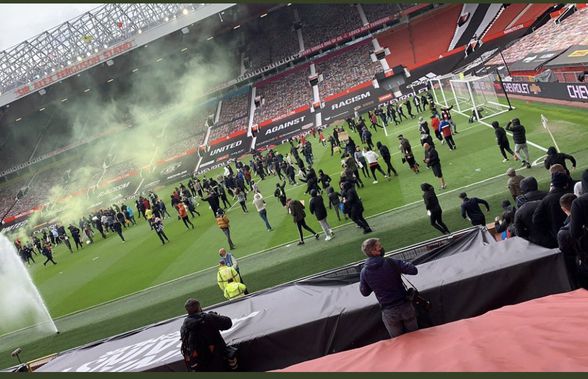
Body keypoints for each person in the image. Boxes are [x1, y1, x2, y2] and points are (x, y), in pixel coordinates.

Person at [359, 238, 418, 338]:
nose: (382, 247)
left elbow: (364, 292)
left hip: (389, 311)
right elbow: (413, 270)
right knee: (416, 337)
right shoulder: (390, 262)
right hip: (405, 306)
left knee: (398, 343)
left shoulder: (364, 272)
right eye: (379, 246)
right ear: (374, 251)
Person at [180, 298, 234, 372]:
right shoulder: (207, 318)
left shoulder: (184, 327)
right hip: (217, 359)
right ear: (199, 308)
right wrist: (214, 316)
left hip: (200, 365)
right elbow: (228, 323)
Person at [532, 172, 572, 244]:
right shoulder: (570, 194)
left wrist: (550, 231)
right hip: (576, 229)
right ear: (566, 184)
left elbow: (536, 219)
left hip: (558, 235)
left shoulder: (546, 200)